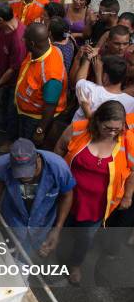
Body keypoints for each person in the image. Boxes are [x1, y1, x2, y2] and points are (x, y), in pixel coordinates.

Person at [55, 101, 134, 284]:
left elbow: (132, 170)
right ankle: (53, 253)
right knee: (60, 226)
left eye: (118, 128)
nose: (113, 133)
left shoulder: (128, 141)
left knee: (85, 237)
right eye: (108, 128)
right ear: (97, 120)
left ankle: (75, 264)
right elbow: (60, 147)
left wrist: (128, 196)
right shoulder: (78, 129)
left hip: (98, 204)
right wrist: (55, 176)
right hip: (68, 196)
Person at [0, 138, 75, 255]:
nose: (24, 178)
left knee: (25, 258)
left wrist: (57, 228)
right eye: (19, 174)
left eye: (28, 172)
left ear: (38, 160)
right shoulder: (2, 164)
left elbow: (67, 196)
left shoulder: (58, 168)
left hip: (41, 223)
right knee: (2, 250)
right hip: (13, 219)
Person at [15, 23, 67, 144]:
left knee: (27, 147)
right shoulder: (38, 51)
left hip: (34, 119)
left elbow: (50, 107)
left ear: (32, 43)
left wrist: (40, 130)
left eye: (25, 38)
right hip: (25, 112)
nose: (22, 40)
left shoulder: (51, 74)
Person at [0, 2, 27, 148]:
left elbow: (13, 69)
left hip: (16, 81)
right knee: (4, 104)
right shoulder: (3, 28)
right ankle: (1, 124)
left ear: (1, 19)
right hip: (5, 76)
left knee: (12, 111)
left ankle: (10, 140)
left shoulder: (18, 40)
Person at [73, 55, 134, 121]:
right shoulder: (131, 102)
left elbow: (80, 80)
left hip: (78, 130)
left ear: (105, 76)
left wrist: (88, 58)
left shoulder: (87, 88)